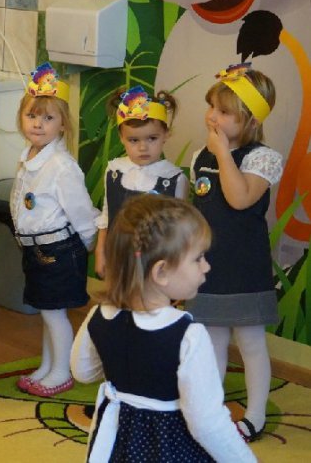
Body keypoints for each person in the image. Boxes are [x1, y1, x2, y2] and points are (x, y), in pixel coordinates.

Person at [71, 194, 256, 462]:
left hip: (117, 444)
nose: (206, 266)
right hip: (172, 448)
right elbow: (207, 423)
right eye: (198, 258)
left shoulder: (98, 316)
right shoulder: (188, 335)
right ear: (161, 272)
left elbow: (83, 372)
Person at [187, 63, 283, 442]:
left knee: (251, 343)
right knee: (211, 340)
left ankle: (254, 416)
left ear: (250, 120)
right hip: (207, 267)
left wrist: (224, 155)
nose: (213, 116)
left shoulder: (263, 158)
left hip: (244, 268)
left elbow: (240, 198)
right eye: (212, 106)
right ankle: (212, 409)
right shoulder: (201, 156)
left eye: (224, 111)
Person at [10, 63, 99, 398]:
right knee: (48, 312)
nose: (38, 123)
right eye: (32, 115)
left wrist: (88, 244)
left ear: (63, 124)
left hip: (59, 250)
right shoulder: (29, 158)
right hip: (36, 249)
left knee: (54, 313)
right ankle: (48, 366)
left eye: (48, 118)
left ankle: (62, 371)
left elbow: (81, 211)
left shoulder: (61, 166)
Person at [94, 86, 185, 276]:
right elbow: (107, 215)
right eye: (134, 140)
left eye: (152, 138)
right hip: (118, 258)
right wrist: (100, 252)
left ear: (166, 134)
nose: (143, 147)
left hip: (155, 264)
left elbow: (178, 230)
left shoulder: (174, 179)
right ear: (121, 137)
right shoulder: (114, 171)